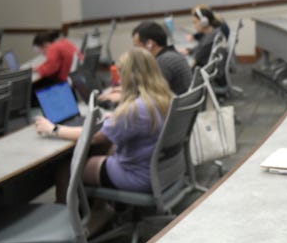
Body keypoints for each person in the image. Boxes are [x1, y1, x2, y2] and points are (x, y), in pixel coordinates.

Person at [35, 47, 173, 202]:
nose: (119, 80)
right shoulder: (164, 98)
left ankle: (73, 221)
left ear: (130, 77)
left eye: (121, 74)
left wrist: (53, 129)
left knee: (66, 169)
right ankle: (101, 209)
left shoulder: (133, 110)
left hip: (137, 175)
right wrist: (116, 117)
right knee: (105, 149)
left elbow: (92, 137)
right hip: (162, 170)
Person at [132, 21, 192, 95]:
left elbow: (151, 95)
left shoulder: (163, 62)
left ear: (149, 44)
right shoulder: (171, 55)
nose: (136, 51)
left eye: (137, 46)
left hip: (175, 105)